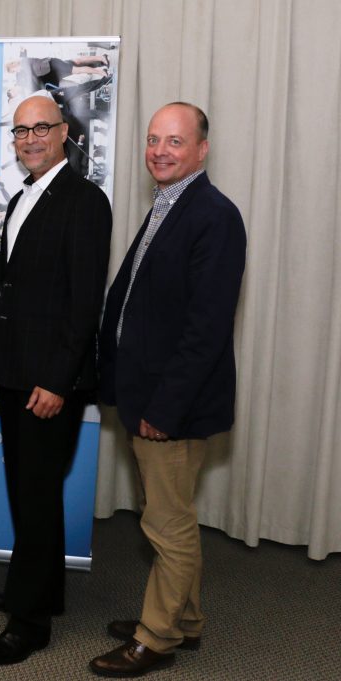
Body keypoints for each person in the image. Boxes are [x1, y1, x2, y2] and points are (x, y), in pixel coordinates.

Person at [89, 102, 246, 678]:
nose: (160, 150)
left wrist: (163, 409)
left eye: (174, 141)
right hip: (146, 398)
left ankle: (155, 639)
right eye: (154, 139)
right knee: (171, 515)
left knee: (166, 525)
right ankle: (184, 621)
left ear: (201, 150)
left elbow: (205, 331)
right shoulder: (168, 205)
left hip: (169, 407)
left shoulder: (213, 215)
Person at [0, 94, 111, 666]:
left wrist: (57, 380)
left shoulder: (84, 201)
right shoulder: (23, 198)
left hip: (48, 381)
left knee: (33, 495)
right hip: (16, 372)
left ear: (64, 133)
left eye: (41, 129)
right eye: (20, 131)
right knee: (31, 493)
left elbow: (84, 304)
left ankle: (28, 624)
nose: (29, 138)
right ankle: (42, 590)